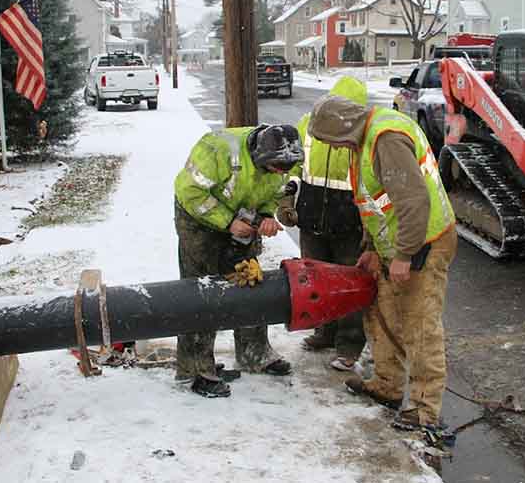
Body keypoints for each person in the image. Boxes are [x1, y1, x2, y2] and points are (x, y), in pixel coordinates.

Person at [307, 94, 457, 432]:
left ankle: (423, 408)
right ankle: (387, 384)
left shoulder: (385, 139)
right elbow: (377, 201)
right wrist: (373, 247)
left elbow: (413, 201)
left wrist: (405, 254)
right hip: (397, 244)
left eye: (330, 140)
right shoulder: (364, 140)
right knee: (381, 312)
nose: (334, 147)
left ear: (341, 129)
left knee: (419, 326)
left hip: (424, 243)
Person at [173, 124, 304, 398]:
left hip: (241, 216)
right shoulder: (217, 149)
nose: (281, 172)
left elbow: (272, 194)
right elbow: (189, 192)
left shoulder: (283, 160)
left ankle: (255, 353)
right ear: (259, 155)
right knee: (201, 291)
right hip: (198, 218)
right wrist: (228, 222)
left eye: (285, 168)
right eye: (275, 167)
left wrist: (266, 216)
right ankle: (196, 370)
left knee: (249, 280)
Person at [284, 76, 368, 371]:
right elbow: (293, 163)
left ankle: (349, 344)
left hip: (349, 222)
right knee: (316, 279)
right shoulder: (309, 123)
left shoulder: (363, 133)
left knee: (348, 284)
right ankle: (324, 333)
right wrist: (288, 195)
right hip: (311, 216)